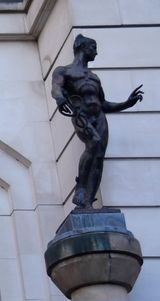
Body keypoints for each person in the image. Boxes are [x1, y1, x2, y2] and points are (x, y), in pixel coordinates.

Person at [51, 34, 143, 209]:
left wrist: (126, 103)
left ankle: (88, 202)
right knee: (93, 143)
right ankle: (81, 186)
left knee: (99, 157)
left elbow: (104, 104)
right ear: (81, 48)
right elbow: (56, 88)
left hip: (99, 116)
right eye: (93, 47)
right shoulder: (64, 71)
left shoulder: (94, 77)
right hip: (81, 115)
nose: (96, 52)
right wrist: (60, 98)